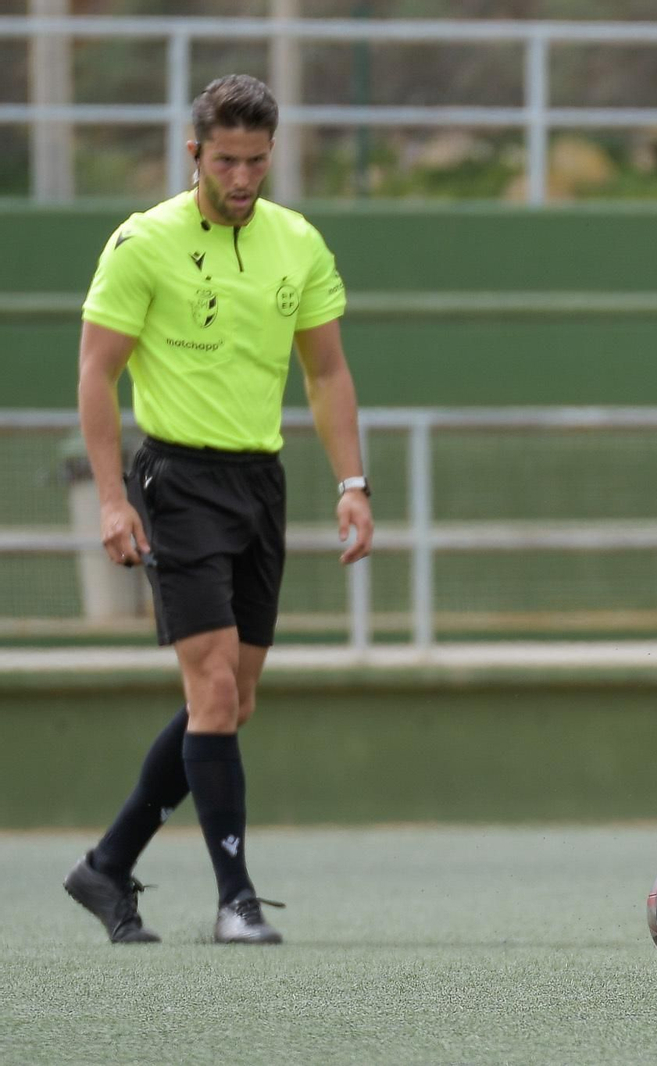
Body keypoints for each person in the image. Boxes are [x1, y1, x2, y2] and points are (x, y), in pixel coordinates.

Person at [64, 74, 373, 945]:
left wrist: (352, 485)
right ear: (194, 152)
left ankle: (106, 866)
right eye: (226, 161)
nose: (242, 178)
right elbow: (96, 372)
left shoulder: (297, 242)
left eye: (257, 162)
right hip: (177, 482)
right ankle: (235, 899)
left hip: (259, 484)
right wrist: (113, 501)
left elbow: (326, 373)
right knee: (209, 687)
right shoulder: (143, 243)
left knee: (230, 704)